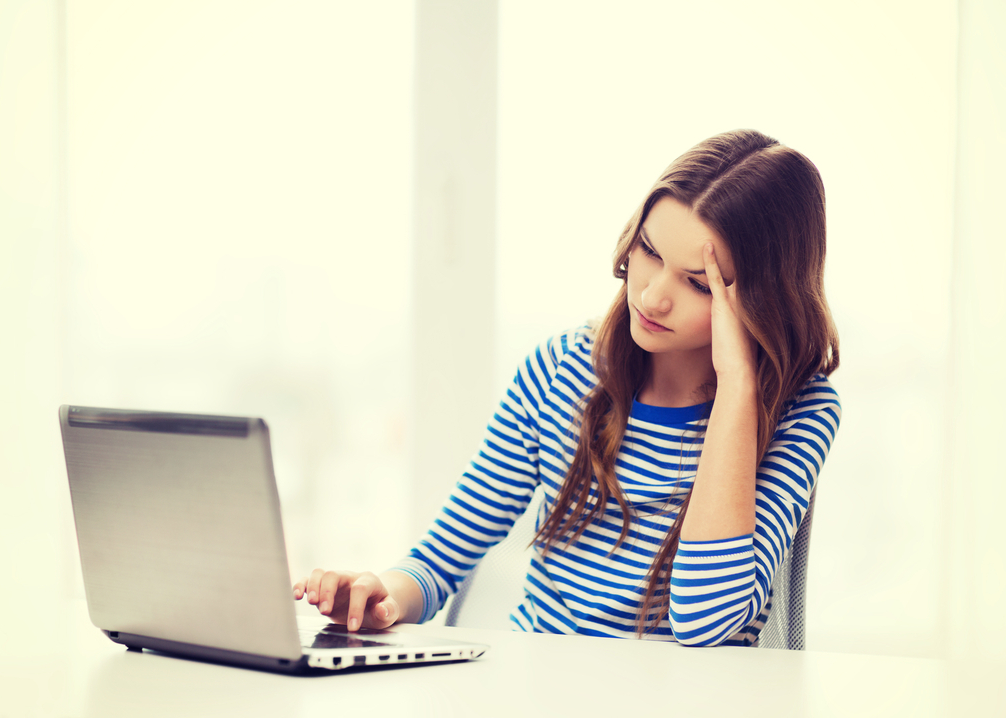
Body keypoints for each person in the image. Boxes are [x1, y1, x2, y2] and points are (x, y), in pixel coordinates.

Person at [293, 129, 841, 647]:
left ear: (762, 300)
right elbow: (440, 560)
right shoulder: (562, 370)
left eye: (699, 284)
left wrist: (737, 390)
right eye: (649, 252)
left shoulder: (799, 412)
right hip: (535, 686)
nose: (651, 297)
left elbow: (706, 622)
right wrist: (379, 596)